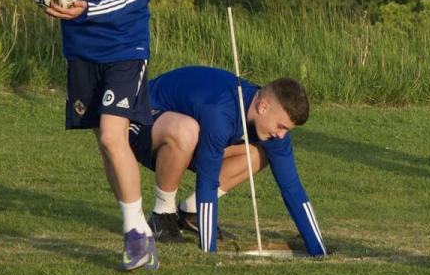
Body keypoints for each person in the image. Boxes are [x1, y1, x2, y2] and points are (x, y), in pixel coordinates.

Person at [0, 0, 160, 270]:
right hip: (80, 49)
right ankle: (140, 229)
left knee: (113, 135)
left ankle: (135, 234)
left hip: (126, 44)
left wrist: (85, 9)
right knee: (106, 143)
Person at [127, 66, 326, 256]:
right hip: (141, 119)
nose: (282, 135)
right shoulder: (220, 112)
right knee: (186, 130)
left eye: (287, 130)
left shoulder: (273, 130)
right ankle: (163, 213)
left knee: (260, 152)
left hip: (193, 135)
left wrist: (319, 252)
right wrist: (209, 250)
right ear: (263, 107)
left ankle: (191, 212)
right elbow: (208, 179)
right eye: (281, 126)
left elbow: (292, 188)